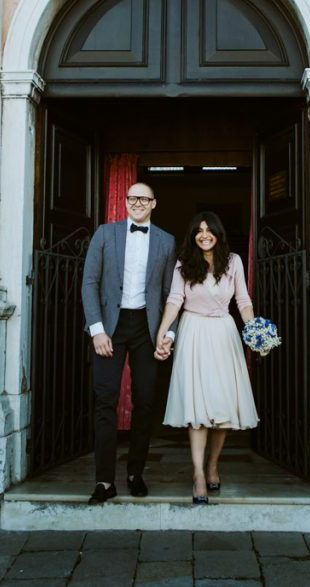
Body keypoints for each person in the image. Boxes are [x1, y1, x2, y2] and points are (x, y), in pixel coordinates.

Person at [81, 182, 177, 504]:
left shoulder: (166, 241)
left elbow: (170, 295)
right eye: (132, 197)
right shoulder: (105, 234)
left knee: (145, 401)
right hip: (111, 325)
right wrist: (96, 330)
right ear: (125, 202)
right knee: (105, 400)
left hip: (146, 329)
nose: (137, 202)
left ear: (154, 203)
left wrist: (168, 333)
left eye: (143, 198)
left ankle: (136, 473)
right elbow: (90, 282)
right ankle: (104, 481)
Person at [154, 211, 259, 504]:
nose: (204, 234)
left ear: (218, 233)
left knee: (222, 406)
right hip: (193, 333)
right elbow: (174, 301)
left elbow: (243, 300)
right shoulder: (183, 263)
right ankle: (199, 473)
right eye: (198, 230)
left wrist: (254, 331)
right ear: (193, 235)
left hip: (224, 333)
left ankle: (213, 463)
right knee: (197, 408)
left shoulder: (234, 261)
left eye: (209, 229)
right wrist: (163, 333)